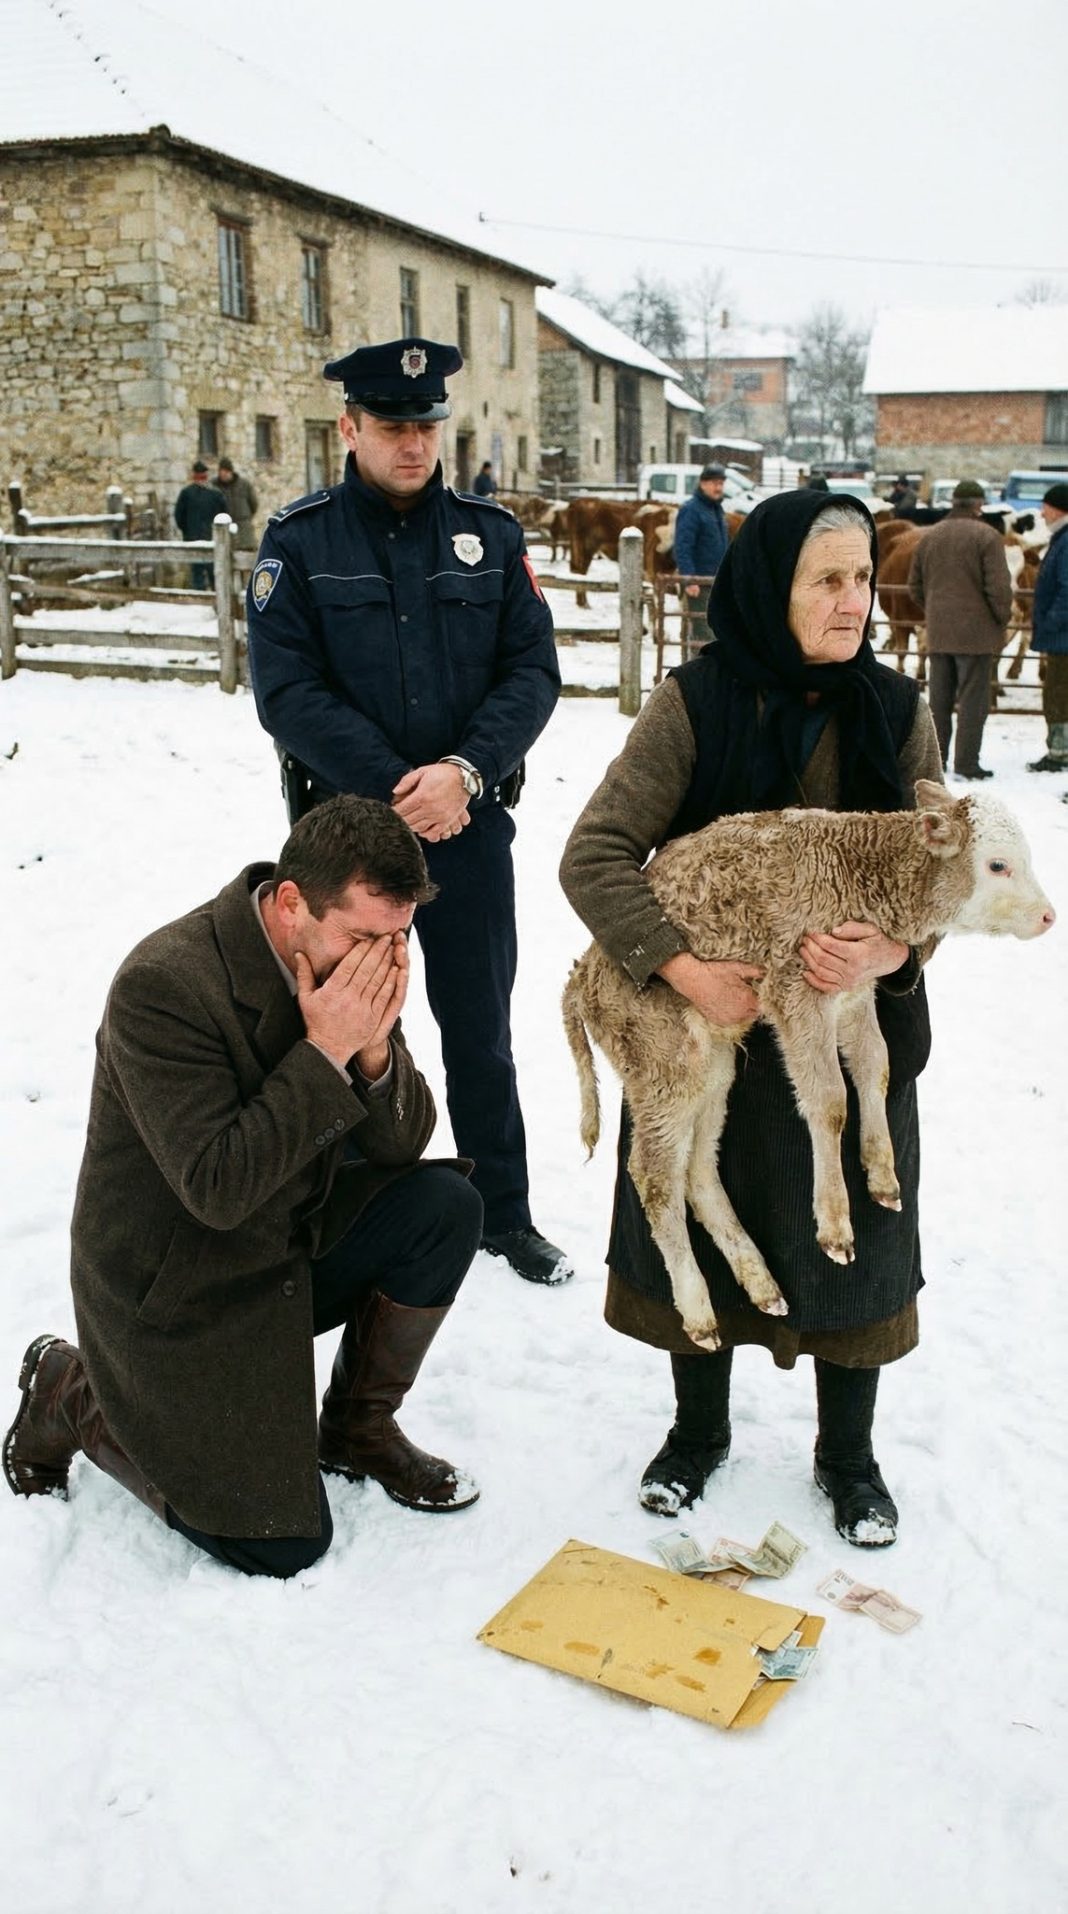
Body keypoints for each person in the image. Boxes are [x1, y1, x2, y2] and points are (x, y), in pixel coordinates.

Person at [560, 491, 944, 1547]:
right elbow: (593, 855)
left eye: (863, 579)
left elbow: (942, 872)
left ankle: (848, 1456)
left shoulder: (897, 711)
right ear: (772, 589)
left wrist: (896, 951)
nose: (855, 601)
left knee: (855, 1235)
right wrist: (683, 970)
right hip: (711, 1024)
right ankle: (697, 1434)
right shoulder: (696, 703)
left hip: (847, 1036)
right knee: (699, 1187)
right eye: (828, 581)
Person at [3, 796, 485, 1578]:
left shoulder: (351, 955)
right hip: (182, 1285)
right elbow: (218, 1190)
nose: (383, 958)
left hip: (288, 1237)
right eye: (365, 937)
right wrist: (325, 1050)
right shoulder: (164, 986)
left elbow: (400, 1144)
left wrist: (371, 1053)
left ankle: (357, 1431)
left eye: (399, 937)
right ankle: (73, 1390)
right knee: (281, 1543)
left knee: (444, 1207)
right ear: (292, 903)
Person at [245, 337, 570, 1288]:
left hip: (467, 828)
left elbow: (533, 672)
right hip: (346, 845)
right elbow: (287, 693)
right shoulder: (300, 543)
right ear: (350, 427)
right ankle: (343, 1203)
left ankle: (502, 1213)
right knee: (340, 1022)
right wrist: (400, 789)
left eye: (427, 425)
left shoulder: (490, 537)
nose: (414, 443)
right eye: (392, 425)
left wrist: (463, 773)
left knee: (479, 1030)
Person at [907, 478, 1012, 781]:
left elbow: (914, 586)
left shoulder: (930, 535)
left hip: (939, 631)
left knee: (939, 701)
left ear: (954, 502)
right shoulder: (987, 536)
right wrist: (1000, 619)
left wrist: (935, 610)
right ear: (979, 504)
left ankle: (936, 761)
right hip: (977, 635)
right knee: (973, 702)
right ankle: (967, 763)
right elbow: (999, 589)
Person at [1026, 481, 1068, 772]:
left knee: (1058, 692)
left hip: (1063, 636)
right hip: (1060, 634)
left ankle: (1059, 751)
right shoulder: (1061, 538)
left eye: (1047, 507)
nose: (1042, 514)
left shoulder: (1066, 541)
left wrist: (1050, 621)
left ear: (1060, 509)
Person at [674, 462, 729, 653]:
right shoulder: (692, 509)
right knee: (703, 634)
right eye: (714, 483)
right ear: (703, 484)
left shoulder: (716, 509)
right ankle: (698, 670)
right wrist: (689, 579)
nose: (718, 487)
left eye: (721, 483)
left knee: (715, 632)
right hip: (699, 584)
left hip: (715, 582)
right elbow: (683, 546)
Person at [173, 458, 227, 589]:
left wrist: (187, 531)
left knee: (200, 573)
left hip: (197, 537)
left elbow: (179, 517)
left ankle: (203, 596)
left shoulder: (187, 493)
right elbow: (224, 514)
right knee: (212, 572)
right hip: (209, 537)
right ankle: (214, 595)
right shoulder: (215, 494)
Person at [216, 457, 259, 550]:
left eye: (226, 472)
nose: (223, 475)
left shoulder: (244, 485)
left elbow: (254, 504)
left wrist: (245, 516)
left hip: (243, 530)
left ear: (230, 472)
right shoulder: (215, 486)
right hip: (223, 529)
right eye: (221, 472)